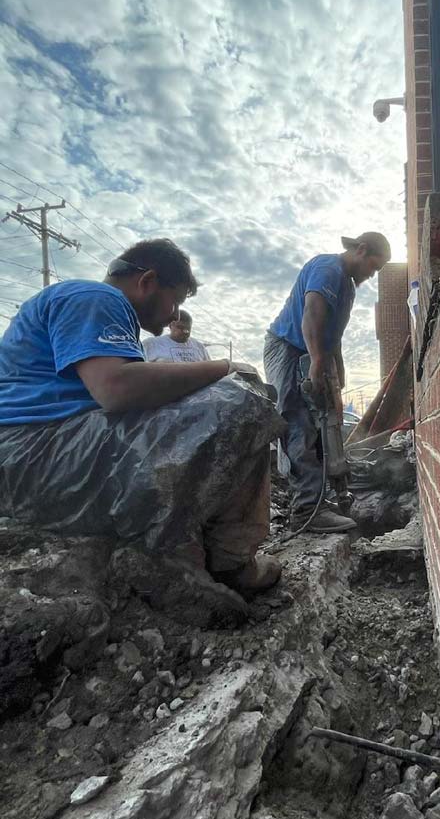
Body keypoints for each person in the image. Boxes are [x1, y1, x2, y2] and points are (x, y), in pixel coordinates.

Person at [0, 238, 282, 598]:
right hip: (36, 455)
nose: (174, 315)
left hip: (33, 458)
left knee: (201, 401)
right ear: (147, 281)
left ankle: (186, 542)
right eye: (175, 300)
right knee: (244, 399)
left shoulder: (92, 306)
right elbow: (116, 389)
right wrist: (225, 367)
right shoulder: (98, 298)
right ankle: (233, 560)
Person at [263, 232, 391, 533]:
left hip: (313, 352)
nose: (371, 275)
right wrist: (318, 362)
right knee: (297, 422)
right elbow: (312, 315)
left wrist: (337, 373)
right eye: (372, 268)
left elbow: (333, 334)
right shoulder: (327, 268)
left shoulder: (346, 286)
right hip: (289, 348)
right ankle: (306, 510)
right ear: (360, 250)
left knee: (325, 426)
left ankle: (319, 498)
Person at [143, 309, 210, 363]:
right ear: (170, 325)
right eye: (180, 327)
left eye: (187, 329)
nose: (184, 331)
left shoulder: (199, 347)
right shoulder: (152, 344)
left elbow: (208, 370)